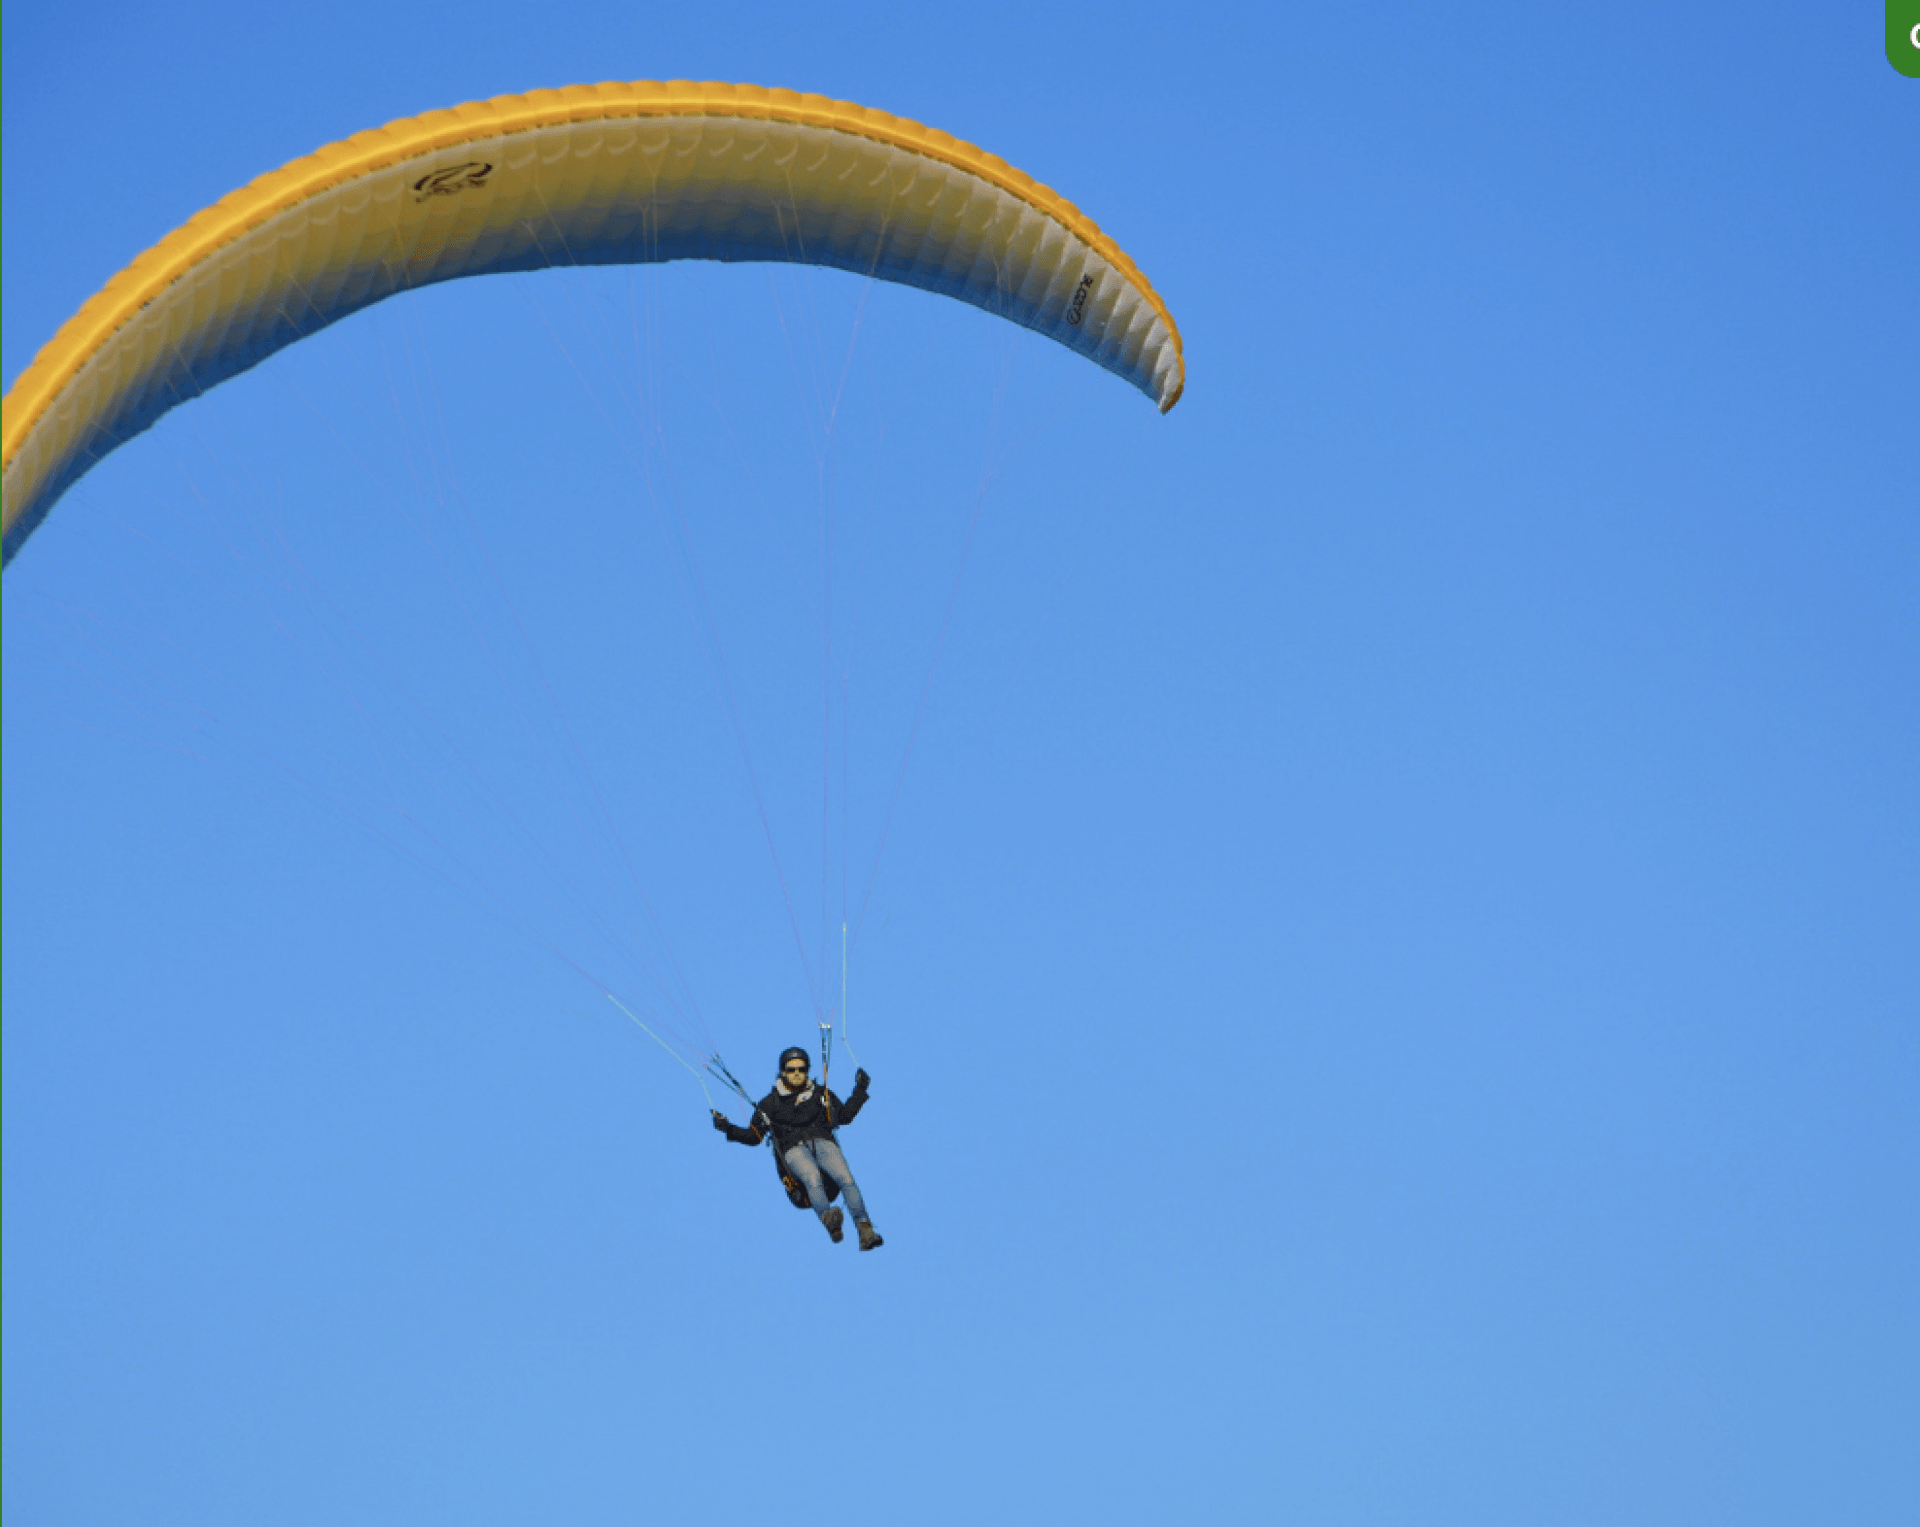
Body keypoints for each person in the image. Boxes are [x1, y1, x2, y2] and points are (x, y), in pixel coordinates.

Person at [712, 1048, 883, 1250]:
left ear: (807, 1071)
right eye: (791, 1069)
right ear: (783, 1072)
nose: (796, 1074)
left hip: (823, 1140)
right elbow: (753, 1137)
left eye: (801, 1069)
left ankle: (865, 1230)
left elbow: (844, 1116)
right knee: (812, 1178)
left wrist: (860, 1090)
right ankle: (830, 1221)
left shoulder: (821, 1095)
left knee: (846, 1178)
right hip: (792, 1148)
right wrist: (727, 1128)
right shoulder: (769, 1105)